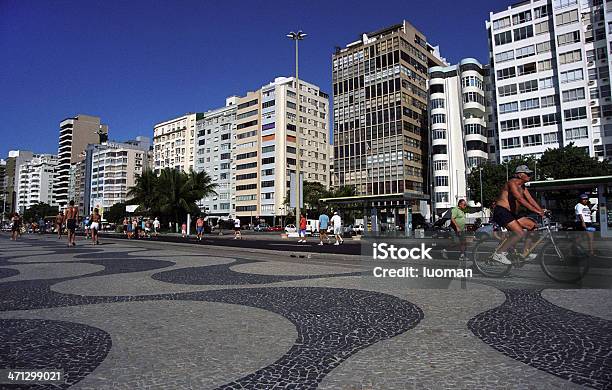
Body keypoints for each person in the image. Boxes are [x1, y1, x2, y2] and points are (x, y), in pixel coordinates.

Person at [492, 165, 545, 264]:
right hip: (501, 211)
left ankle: (525, 253)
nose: (530, 176)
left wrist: (541, 210)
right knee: (520, 233)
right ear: (520, 175)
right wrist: (536, 211)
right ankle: (499, 253)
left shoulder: (523, 187)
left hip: (511, 213)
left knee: (533, 226)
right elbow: (520, 199)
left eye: (530, 174)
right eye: (528, 174)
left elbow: (530, 200)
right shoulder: (512, 183)